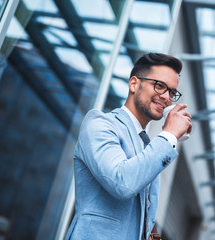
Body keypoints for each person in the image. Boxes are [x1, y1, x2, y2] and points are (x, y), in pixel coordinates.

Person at [65, 53, 192, 240]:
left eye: (172, 92)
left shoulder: (148, 144)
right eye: (159, 86)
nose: (166, 97)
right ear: (134, 84)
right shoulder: (100, 123)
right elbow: (122, 182)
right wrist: (169, 135)